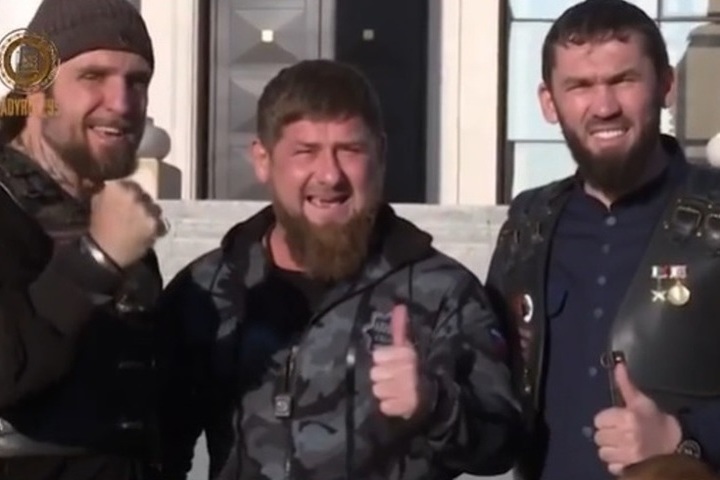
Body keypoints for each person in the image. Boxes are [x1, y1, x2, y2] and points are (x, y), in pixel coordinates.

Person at [155, 59, 522, 480]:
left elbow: (503, 445)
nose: (329, 175)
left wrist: (434, 404)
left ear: (380, 155)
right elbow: (157, 446)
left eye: (350, 150)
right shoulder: (209, 291)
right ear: (262, 159)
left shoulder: (442, 292)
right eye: (305, 151)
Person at [486, 1, 720, 480]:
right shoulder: (527, 230)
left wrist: (684, 438)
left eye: (623, 80)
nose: (604, 106)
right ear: (548, 102)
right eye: (580, 86)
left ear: (666, 85)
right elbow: (490, 394)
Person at [0, 0, 167, 479]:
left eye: (137, 82)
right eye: (93, 76)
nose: (122, 103)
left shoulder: (109, 219)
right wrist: (96, 260)